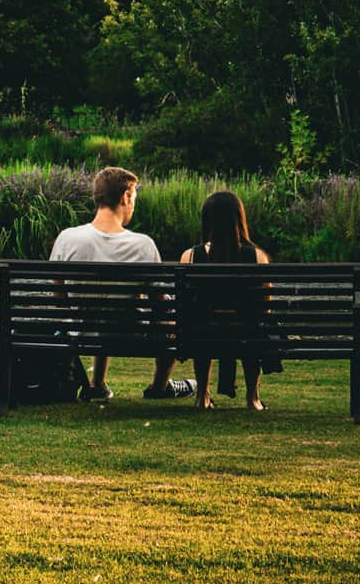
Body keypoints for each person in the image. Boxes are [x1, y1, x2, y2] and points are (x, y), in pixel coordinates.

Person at [49, 166, 195, 403]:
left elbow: (59, 295)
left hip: (79, 332)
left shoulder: (67, 238)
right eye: (134, 198)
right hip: (129, 334)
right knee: (169, 314)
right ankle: (160, 386)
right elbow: (161, 304)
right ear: (125, 196)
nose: (133, 205)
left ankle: (97, 385)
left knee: (100, 311)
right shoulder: (142, 245)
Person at [179, 189, 281, 411]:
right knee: (254, 327)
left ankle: (202, 396)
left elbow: (186, 305)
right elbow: (266, 309)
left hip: (202, 334)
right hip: (247, 333)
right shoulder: (258, 257)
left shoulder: (190, 256)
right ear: (239, 219)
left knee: (201, 325)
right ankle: (253, 398)